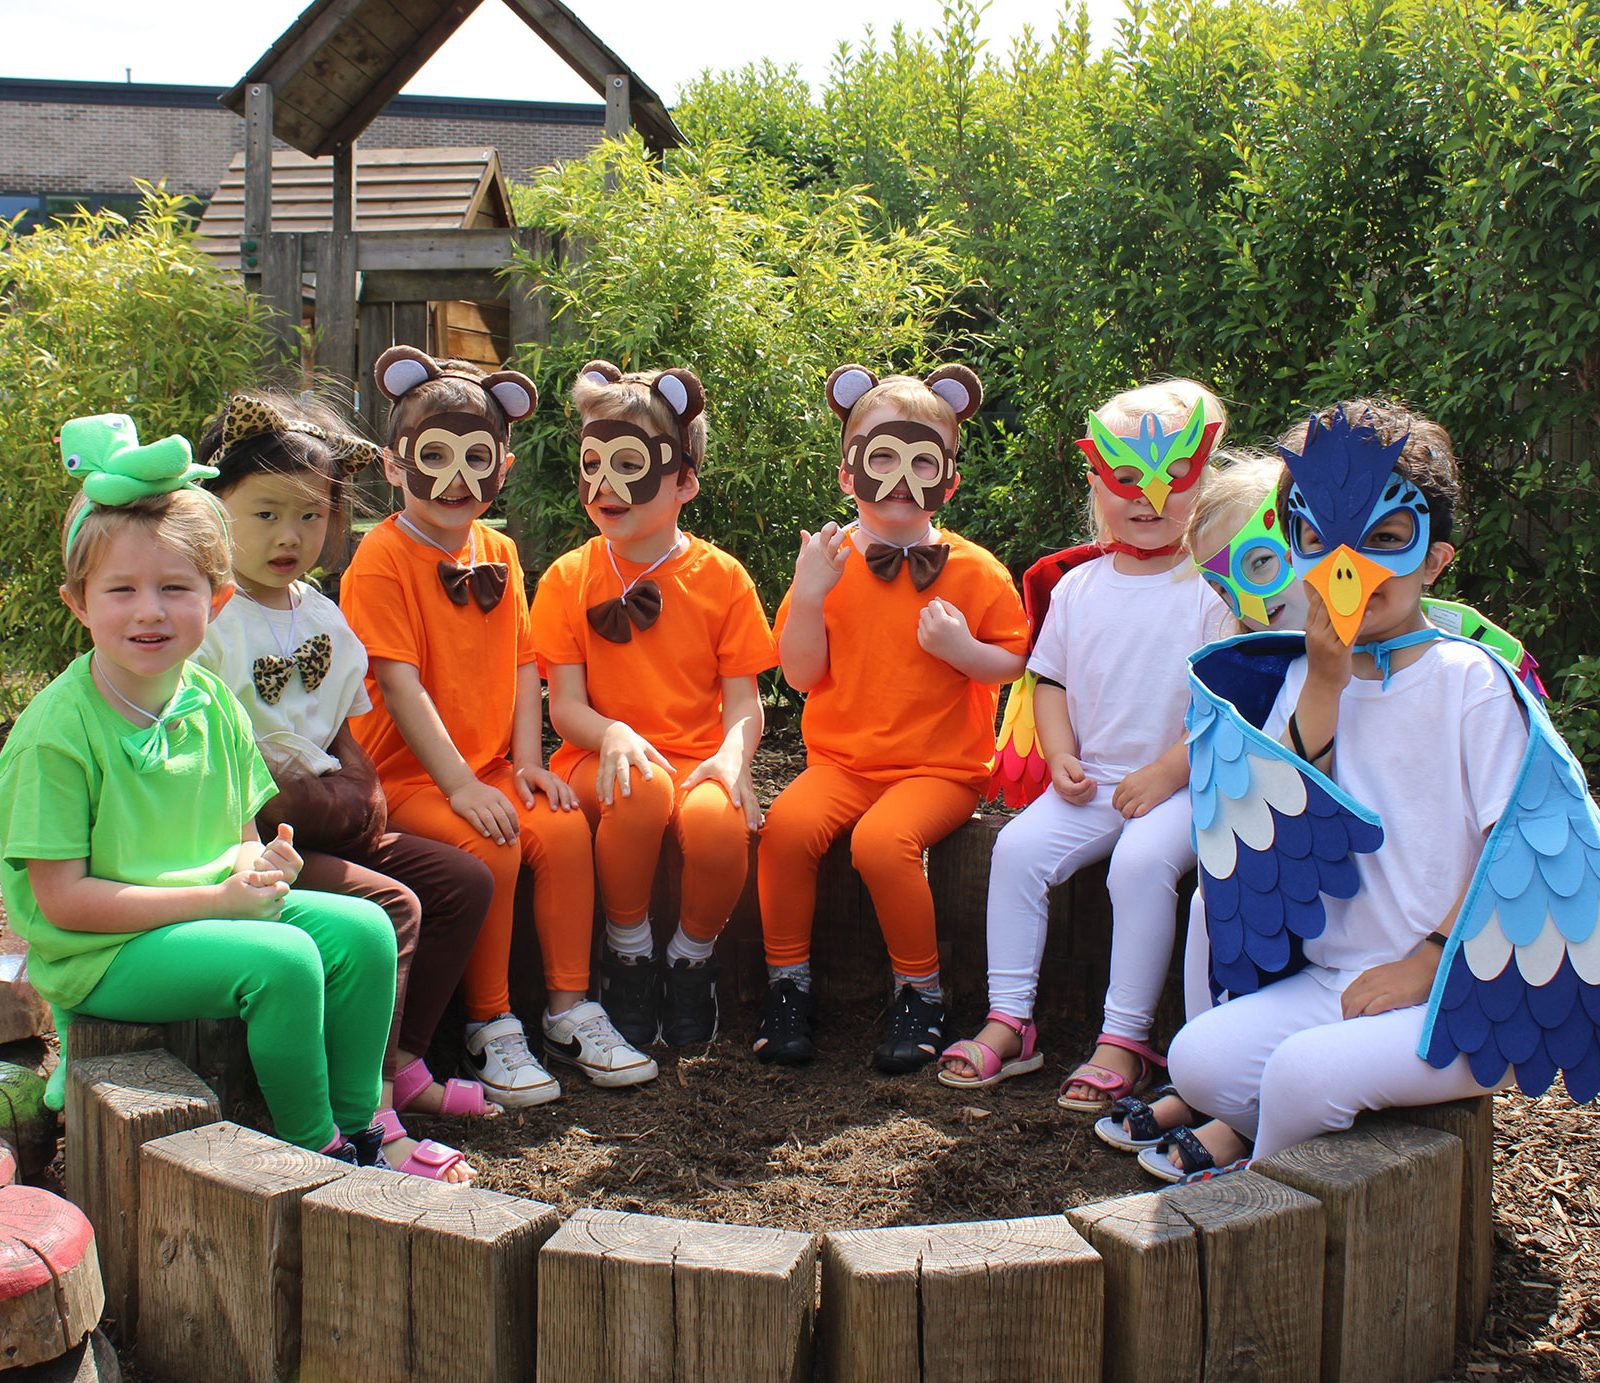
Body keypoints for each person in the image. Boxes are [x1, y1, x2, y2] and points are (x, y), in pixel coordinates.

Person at [1143, 400, 1529, 1181]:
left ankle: (1258, 1200)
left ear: (1437, 560)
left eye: (1387, 539)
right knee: (1201, 1059)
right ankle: (1274, 1134)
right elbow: (1270, 825)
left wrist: (1425, 963)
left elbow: (1513, 848)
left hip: (1457, 992)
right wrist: (1323, 680)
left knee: (1300, 1075)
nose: (1349, 569)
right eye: (1320, 538)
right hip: (1335, 978)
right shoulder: (1299, 673)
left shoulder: (1472, 684)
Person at [0, 414, 395, 1161]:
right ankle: (316, 1149)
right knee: (282, 963)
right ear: (78, 602)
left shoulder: (209, 701)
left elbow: (238, 839)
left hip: (201, 913)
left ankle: (362, 1124)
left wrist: (261, 866)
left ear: (213, 602)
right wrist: (220, 900)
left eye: (174, 587)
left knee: (366, 934)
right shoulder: (58, 733)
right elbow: (63, 902)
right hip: (104, 950)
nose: (150, 610)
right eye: (121, 589)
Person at [340, 346, 655, 1108]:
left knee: (562, 821)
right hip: (410, 779)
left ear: (503, 468)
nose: (456, 478)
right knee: (494, 840)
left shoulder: (502, 550)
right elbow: (398, 682)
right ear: (393, 464)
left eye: (476, 458)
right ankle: (489, 1024)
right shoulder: (380, 558)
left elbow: (523, 662)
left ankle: (571, 1007)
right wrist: (457, 784)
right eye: (435, 457)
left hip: (487, 768)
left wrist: (525, 762)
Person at [195, 391, 496, 1181]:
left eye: (309, 515)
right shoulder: (206, 619)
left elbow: (344, 730)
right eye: (264, 514)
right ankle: (365, 1105)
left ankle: (401, 1057)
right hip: (260, 839)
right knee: (388, 905)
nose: (289, 536)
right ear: (212, 510)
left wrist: (364, 792)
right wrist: (283, 807)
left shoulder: (321, 616)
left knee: (461, 877)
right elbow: (209, 761)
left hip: (329, 813)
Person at [938, 380, 1227, 1103]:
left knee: (1138, 865)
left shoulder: (1213, 591)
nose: (1149, 498)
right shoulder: (1078, 588)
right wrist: (1062, 753)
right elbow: (1051, 683)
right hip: (1092, 778)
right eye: (1126, 479)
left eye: (1172, 481)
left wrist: (1168, 770)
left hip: (1188, 784)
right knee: (1017, 850)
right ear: (1097, 487)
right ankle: (1011, 1020)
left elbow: (1231, 706)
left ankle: (1123, 1037)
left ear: (1204, 486)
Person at [757, 363, 1029, 1072]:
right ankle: (787, 983)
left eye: (919, 461)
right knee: (783, 828)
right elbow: (800, 675)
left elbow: (1012, 664)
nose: (899, 477)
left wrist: (963, 648)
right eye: (881, 456)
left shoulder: (976, 571)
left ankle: (921, 991)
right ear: (849, 474)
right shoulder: (828, 560)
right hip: (842, 762)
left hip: (940, 768)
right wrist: (809, 594)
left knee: (882, 844)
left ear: (949, 480)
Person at [532, 361, 775, 1047]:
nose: (605, 485)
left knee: (720, 829)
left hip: (698, 757)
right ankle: (628, 948)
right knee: (637, 788)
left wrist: (733, 760)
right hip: (597, 756)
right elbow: (565, 707)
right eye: (593, 464)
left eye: (629, 465)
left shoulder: (722, 578)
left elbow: (745, 704)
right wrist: (611, 733)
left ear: (683, 482)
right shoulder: (567, 577)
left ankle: (691, 957)